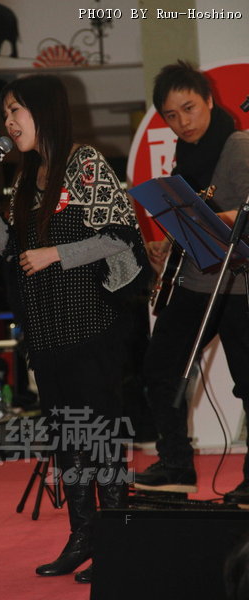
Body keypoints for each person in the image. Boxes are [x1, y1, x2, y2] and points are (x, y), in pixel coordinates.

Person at [0, 74, 149, 583]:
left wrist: (56, 254)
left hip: (90, 327)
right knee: (68, 439)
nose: (8, 122)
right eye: (5, 112)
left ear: (43, 111)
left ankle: (117, 544)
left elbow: (121, 236)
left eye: (15, 110)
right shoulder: (27, 177)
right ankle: (83, 536)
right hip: (46, 333)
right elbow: (11, 251)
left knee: (102, 437)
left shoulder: (84, 162)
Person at [134, 61, 249, 503]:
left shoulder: (238, 146)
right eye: (171, 115)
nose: (183, 121)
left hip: (239, 286)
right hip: (196, 282)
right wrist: (168, 244)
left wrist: (220, 219)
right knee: (160, 368)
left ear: (209, 101)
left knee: (248, 382)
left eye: (189, 108)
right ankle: (176, 466)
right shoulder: (185, 156)